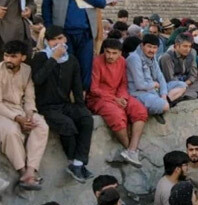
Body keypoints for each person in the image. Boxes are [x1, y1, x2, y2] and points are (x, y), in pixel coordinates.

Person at [32, 25, 94, 183]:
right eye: (53, 40)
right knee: (66, 124)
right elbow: (38, 79)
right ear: (47, 42)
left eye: (60, 38)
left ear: (65, 39)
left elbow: (77, 86)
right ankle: (73, 162)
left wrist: (81, 106)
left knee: (86, 119)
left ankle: (79, 163)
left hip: (64, 104)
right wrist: (53, 58)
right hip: (46, 106)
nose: (58, 42)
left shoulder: (71, 59)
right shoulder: (41, 58)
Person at [42, 0, 107, 91]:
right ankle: (65, 101)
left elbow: (101, 3)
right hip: (63, 35)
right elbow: (46, 5)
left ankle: (82, 100)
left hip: (85, 34)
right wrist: (50, 30)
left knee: (85, 69)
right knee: (65, 68)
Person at [88, 39, 147, 167]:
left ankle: (132, 149)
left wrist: (123, 98)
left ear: (120, 53)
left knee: (139, 110)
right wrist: (115, 99)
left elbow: (123, 83)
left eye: (114, 53)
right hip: (99, 98)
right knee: (116, 115)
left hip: (118, 95)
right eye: (108, 52)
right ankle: (130, 149)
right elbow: (94, 89)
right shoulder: (96, 62)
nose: (110, 56)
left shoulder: (122, 62)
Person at [0, 40, 49, 190]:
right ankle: (23, 172)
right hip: (3, 110)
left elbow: (29, 97)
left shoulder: (27, 70)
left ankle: (30, 171)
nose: (8, 59)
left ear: (23, 58)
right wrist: (18, 119)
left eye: (13, 56)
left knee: (41, 126)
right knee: (11, 131)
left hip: (20, 109)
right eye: (6, 56)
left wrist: (29, 114)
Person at [126, 34, 178, 124]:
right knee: (165, 106)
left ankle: (160, 102)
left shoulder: (152, 57)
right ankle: (155, 108)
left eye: (154, 48)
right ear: (142, 46)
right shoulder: (134, 59)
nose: (152, 50)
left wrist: (164, 95)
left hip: (153, 90)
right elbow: (140, 85)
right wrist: (154, 84)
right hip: (139, 93)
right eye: (149, 47)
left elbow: (160, 77)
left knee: (181, 85)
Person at [160, 32, 198, 101]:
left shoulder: (191, 53)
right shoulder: (167, 57)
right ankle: (197, 94)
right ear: (176, 46)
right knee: (177, 89)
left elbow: (194, 74)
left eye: (189, 46)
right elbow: (170, 79)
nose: (188, 49)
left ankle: (187, 94)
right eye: (185, 46)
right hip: (173, 84)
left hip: (186, 82)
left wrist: (187, 82)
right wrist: (183, 85)